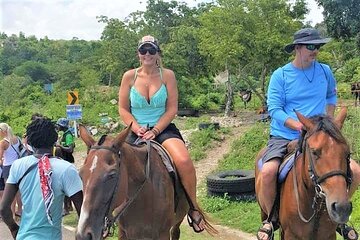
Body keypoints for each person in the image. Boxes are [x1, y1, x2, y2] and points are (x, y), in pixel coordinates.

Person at [256, 28, 360, 240]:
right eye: (311, 46)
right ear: (297, 48)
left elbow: (331, 97)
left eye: (318, 46)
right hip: (285, 134)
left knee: (355, 171)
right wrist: (298, 126)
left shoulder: (324, 71)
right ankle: (271, 218)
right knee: (268, 172)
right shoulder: (280, 75)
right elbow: (274, 109)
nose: (316, 51)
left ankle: (338, 216)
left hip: (320, 134)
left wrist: (329, 123)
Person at [118, 35, 207, 233]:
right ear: (138, 54)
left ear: (158, 53)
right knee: (112, 162)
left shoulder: (167, 75)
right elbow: (123, 109)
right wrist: (136, 127)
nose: (147, 54)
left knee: (183, 161)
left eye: (151, 50)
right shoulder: (129, 76)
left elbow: (172, 108)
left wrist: (156, 130)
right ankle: (109, 215)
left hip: (163, 128)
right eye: (143, 50)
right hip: (136, 129)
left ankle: (193, 208)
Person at [0, 117, 83, 239]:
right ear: (55, 139)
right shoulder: (66, 169)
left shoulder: (18, 165)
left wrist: (14, 228)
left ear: (29, 142)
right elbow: (83, 211)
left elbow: (3, 208)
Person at [0, 123, 23, 219]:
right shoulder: (17, 139)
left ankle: (12, 213)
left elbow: (0, 157)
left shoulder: (3, 142)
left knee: (9, 190)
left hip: (8, 167)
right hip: (18, 165)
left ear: (3, 131)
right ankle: (20, 210)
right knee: (18, 190)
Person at [55, 117, 75, 216]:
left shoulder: (68, 135)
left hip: (67, 162)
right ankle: (69, 206)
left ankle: (66, 208)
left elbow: (70, 149)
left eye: (59, 125)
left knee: (65, 186)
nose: (58, 127)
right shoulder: (64, 135)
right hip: (64, 161)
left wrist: (59, 146)